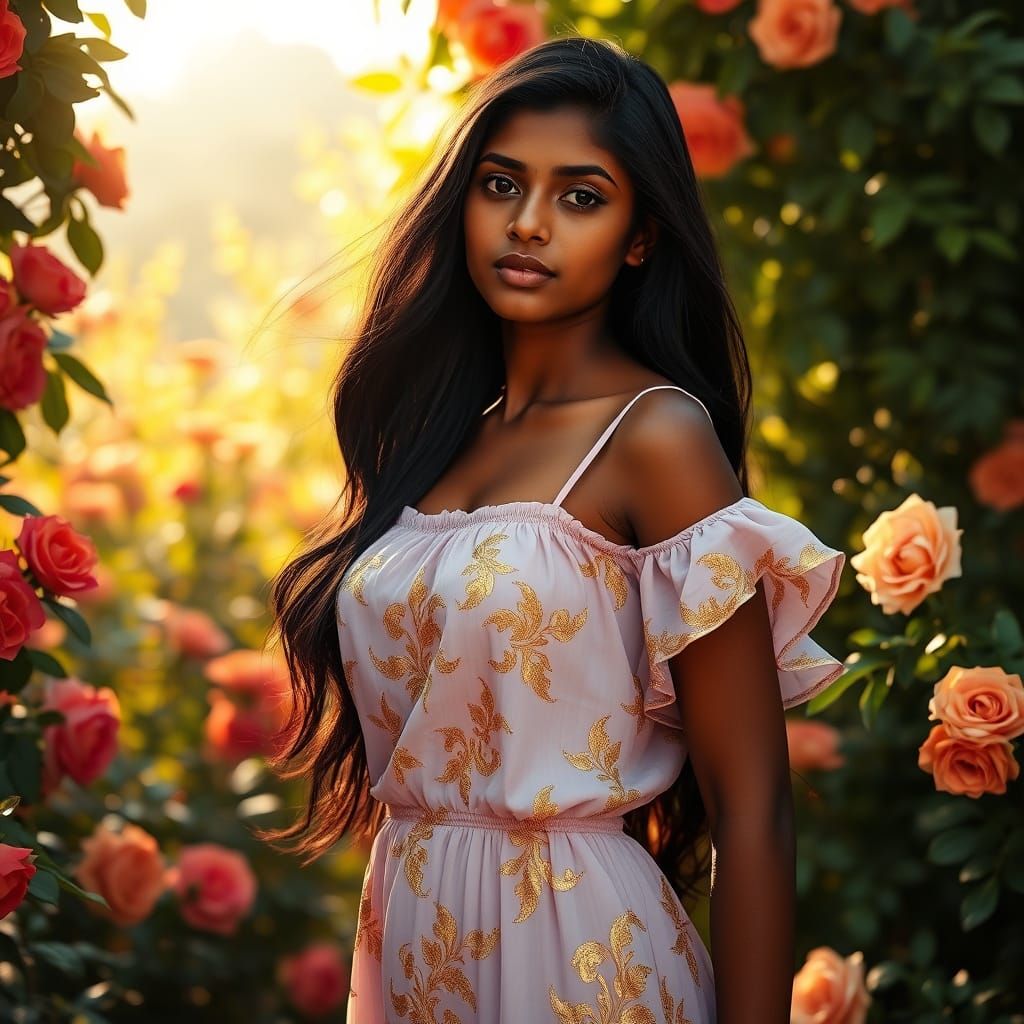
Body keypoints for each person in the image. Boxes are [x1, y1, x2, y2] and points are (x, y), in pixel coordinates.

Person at [258, 35, 847, 1024]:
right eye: (500, 184)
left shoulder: (656, 437)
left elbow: (753, 806)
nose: (528, 224)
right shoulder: (435, 437)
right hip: (411, 936)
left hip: (576, 956)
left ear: (639, 233)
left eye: (579, 195)